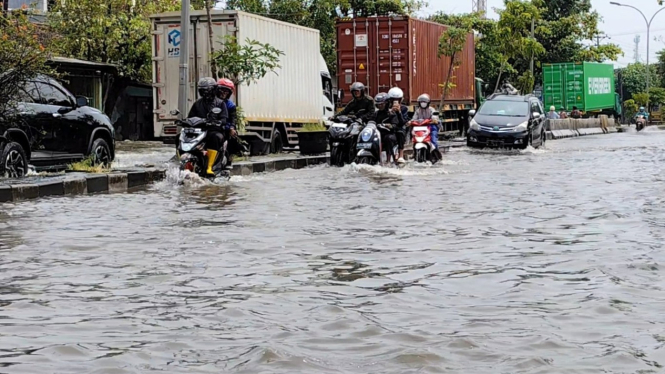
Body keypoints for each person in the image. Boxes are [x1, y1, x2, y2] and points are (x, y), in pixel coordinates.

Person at [188, 77, 228, 176]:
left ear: (213, 90)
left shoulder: (220, 103)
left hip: (213, 131)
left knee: (215, 137)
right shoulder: (197, 103)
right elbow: (190, 117)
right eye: (202, 90)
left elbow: (224, 119)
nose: (205, 93)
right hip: (199, 131)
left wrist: (217, 122)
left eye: (207, 90)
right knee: (180, 136)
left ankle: (209, 167)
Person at [369, 92, 400, 164]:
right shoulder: (376, 114)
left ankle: (388, 160)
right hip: (378, 134)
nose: (380, 106)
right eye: (378, 104)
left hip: (389, 134)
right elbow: (370, 121)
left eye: (382, 104)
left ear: (387, 103)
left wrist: (388, 125)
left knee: (388, 138)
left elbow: (395, 125)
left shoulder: (391, 113)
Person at [387, 87, 409, 163]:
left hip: (399, 128)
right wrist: (390, 112)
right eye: (393, 100)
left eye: (397, 100)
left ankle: (401, 155)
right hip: (389, 128)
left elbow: (403, 122)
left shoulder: (404, 108)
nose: (395, 102)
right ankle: (387, 158)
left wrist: (399, 112)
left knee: (401, 133)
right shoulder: (386, 108)